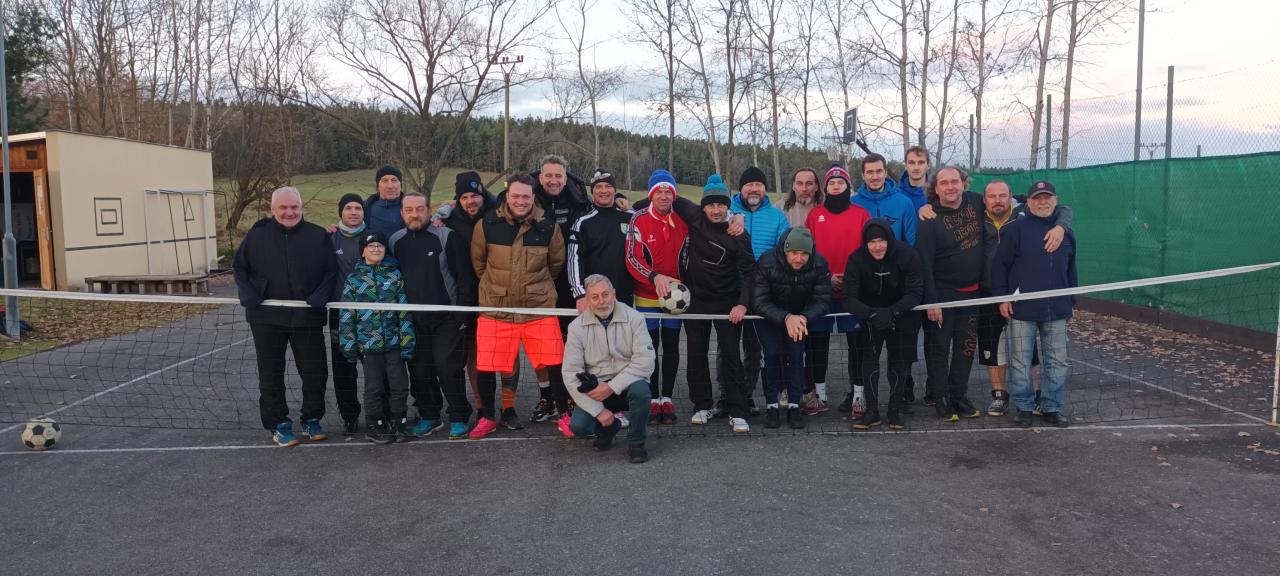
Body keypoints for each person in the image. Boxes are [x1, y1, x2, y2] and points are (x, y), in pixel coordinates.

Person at [233, 186, 337, 447]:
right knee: (270, 374)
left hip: (307, 317)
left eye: (294, 207)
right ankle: (278, 423)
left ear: (301, 208)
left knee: (315, 373)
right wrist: (250, 295)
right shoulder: (256, 236)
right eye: (283, 207)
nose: (289, 212)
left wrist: (319, 297)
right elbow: (240, 268)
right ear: (273, 209)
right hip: (266, 318)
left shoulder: (318, 236)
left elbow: (331, 271)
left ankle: (312, 418)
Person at [471, 173, 567, 439]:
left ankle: (564, 414)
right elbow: (479, 263)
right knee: (487, 364)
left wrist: (534, 290)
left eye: (526, 196)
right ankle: (488, 417)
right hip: (496, 308)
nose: (521, 201)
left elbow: (555, 265)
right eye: (516, 196)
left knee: (555, 362)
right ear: (507, 196)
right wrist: (498, 289)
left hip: (538, 308)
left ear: (533, 197)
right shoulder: (486, 224)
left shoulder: (548, 227)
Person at [437, 171, 522, 427]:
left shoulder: (500, 212)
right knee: (475, 352)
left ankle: (508, 407)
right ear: (457, 199)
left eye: (474, 195)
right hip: (467, 296)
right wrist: (439, 213)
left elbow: (527, 198)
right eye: (464, 197)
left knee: (508, 351)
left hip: (500, 293)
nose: (470, 201)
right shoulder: (448, 220)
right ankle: (482, 406)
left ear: (483, 193)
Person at [674, 175, 755, 433]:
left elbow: (749, 272)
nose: (716, 210)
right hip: (696, 301)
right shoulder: (694, 216)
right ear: (704, 206)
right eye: (711, 205)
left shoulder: (738, 233)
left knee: (731, 356)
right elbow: (664, 196)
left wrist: (742, 304)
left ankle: (737, 410)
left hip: (727, 302)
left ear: (727, 207)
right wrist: (624, 202)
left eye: (721, 205)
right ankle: (702, 405)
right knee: (696, 354)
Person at [993, 180, 1077, 428]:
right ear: (1028, 202)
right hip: (1023, 309)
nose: (1042, 202)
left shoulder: (1066, 232)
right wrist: (1003, 297)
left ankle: (1052, 406)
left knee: (1057, 361)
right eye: (1037, 198)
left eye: (1047, 197)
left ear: (1055, 200)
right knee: (1020, 361)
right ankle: (1024, 407)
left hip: (1057, 308)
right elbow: (1000, 267)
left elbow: (1071, 269)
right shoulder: (1014, 230)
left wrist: (1071, 301)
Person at [391, 192, 475, 440]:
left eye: (419, 209)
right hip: (413, 320)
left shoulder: (446, 236)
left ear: (428, 210)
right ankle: (430, 416)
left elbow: (464, 278)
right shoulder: (395, 241)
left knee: (448, 367)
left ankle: (459, 416)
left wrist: (461, 316)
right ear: (402, 213)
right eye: (409, 210)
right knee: (419, 369)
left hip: (447, 317)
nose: (414, 214)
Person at [916, 167, 996, 422]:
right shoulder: (928, 219)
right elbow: (924, 264)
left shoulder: (976, 201)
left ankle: (958, 396)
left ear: (963, 183)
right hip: (942, 295)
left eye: (955, 182)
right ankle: (941, 398)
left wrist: (1061, 221)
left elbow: (1008, 202)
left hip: (973, 296)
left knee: (966, 349)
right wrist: (931, 301)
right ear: (935, 188)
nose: (950, 187)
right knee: (939, 349)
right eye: (944, 183)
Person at [563, 274, 656, 464]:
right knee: (578, 426)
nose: (601, 301)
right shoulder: (575, 328)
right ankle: (608, 429)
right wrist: (599, 411)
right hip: (597, 388)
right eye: (594, 297)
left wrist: (612, 387)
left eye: (605, 294)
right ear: (587, 299)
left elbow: (645, 361)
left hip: (627, 383)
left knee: (642, 391)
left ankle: (636, 443)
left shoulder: (635, 318)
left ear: (613, 293)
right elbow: (570, 373)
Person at [804, 163, 871, 416]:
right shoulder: (815, 215)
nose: (836, 186)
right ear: (825, 187)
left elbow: (868, 252)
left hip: (853, 290)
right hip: (822, 289)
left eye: (840, 182)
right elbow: (807, 254)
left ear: (848, 185)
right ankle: (819, 395)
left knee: (857, 344)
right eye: (831, 183)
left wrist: (851, 279)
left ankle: (858, 395)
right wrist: (826, 277)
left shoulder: (861, 214)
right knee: (818, 343)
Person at [842, 220, 923, 431]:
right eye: (872, 242)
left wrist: (893, 311)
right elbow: (848, 297)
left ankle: (894, 411)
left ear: (889, 239)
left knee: (898, 362)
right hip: (871, 316)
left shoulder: (907, 255)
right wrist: (871, 313)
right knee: (869, 362)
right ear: (865, 243)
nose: (877, 246)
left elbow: (915, 292)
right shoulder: (856, 259)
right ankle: (872, 412)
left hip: (901, 314)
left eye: (881, 241)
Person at [531, 155, 593, 423]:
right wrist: (448, 207)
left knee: (572, 344)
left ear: (565, 178)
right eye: (549, 175)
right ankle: (547, 397)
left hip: (571, 284)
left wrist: (623, 199)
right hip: (538, 282)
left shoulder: (578, 199)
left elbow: (601, 205)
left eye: (558, 176)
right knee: (542, 347)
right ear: (540, 177)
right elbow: (496, 205)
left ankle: (570, 395)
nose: (553, 180)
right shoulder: (528, 197)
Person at [338, 231, 416, 444]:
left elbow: (403, 311)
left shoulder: (394, 276)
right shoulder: (354, 280)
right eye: (371, 246)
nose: (376, 249)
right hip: (368, 345)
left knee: (399, 385)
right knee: (374, 388)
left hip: (394, 343)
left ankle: (399, 423)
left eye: (380, 246)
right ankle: (375, 425)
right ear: (363, 251)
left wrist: (407, 341)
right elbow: (347, 315)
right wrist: (349, 344)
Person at [625, 169, 688, 425]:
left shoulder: (683, 219)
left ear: (674, 195)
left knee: (671, 346)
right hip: (646, 296)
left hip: (676, 297)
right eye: (659, 191)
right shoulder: (638, 219)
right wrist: (654, 277)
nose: (664, 196)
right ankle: (652, 399)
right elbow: (632, 258)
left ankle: (667, 398)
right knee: (650, 347)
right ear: (651, 195)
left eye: (668, 191)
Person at [753, 227, 831, 429]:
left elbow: (822, 300)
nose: (799, 258)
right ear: (785, 250)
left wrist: (803, 317)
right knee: (771, 356)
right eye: (794, 253)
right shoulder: (767, 261)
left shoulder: (820, 264)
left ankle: (794, 406)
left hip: (800, 317)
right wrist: (786, 317)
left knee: (797, 357)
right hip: (770, 317)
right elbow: (759, 301)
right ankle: (772, 406)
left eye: (804, 253)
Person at [727, 166, 790, 415]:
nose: (754, 189)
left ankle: (746, 396)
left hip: (762, 291)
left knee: (754, 348)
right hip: (730, 290)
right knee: (727, 349)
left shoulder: (777, 217)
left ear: (765, 189)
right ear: (740, 188)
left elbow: (783, 253)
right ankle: (727, 396)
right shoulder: (726, 211)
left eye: (759, 185)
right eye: (749, 185)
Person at [569, 168, 636, 311]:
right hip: (595, 297)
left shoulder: (631, 216)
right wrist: (580, 294)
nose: (604, 190)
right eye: (598, 187)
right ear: (592, 191)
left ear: (614, 190)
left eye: (608, 186)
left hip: (625, 296)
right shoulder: (582, 222)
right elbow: (574, 260)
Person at [328, 193, 367, 434]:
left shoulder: (373, 238)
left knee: (374, 367)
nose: (353, 212)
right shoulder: (329, 238)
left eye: (358, 208)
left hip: (371, 315)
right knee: (343, 368)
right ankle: (349, 416)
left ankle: (379, 414)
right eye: (348, 208)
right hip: (340, 315)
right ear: (341, 212)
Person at [852, 152, 916, 245]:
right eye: (870, 172)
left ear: (885, 173)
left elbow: (912, 243)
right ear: (863, 175)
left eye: (879, 171)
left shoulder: (904, 203)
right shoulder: (852, 204)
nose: (875, 177)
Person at [366, 165, 406, 237]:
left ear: (400, 185)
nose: (390, 186)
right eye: (385, 181)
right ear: (378, 186)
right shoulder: (365, 208)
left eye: (394, 180)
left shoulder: (412, 208)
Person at [899, 145, 930, 210]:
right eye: (911, 163)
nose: (916, 167)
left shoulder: (937, 194)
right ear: (906, 166)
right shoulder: (896, 195)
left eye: (921, 162)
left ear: (928, 165)